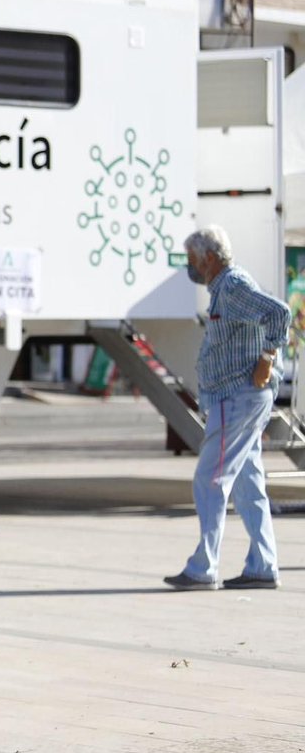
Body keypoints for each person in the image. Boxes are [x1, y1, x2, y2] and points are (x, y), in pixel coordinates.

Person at [165, 225, 290, 591]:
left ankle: (204, 567)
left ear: (208, 258)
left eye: (192, 260)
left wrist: (267, 357)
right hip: (239, 399)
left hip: (237, 399)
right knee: (249, 484)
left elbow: (279, 314)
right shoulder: (224, 289)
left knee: (210, 478)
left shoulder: (232, 286)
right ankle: (263, 566)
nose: (190, 267)